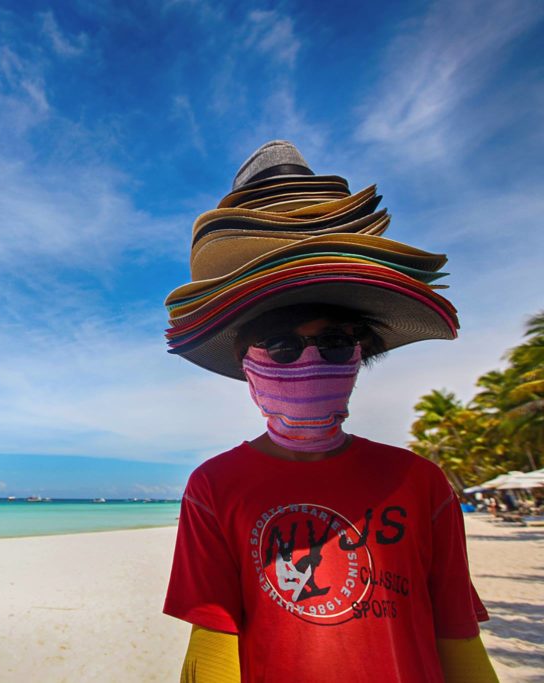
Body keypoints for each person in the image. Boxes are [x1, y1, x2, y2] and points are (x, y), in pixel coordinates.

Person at [161, 142, 497, 682]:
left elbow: (457, 636)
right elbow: (214, 641)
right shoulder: (214, 487)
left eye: (338, 343)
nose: (312, 360)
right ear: (248, 364)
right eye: (284, 347)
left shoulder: (420, 483)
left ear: (362, 355)